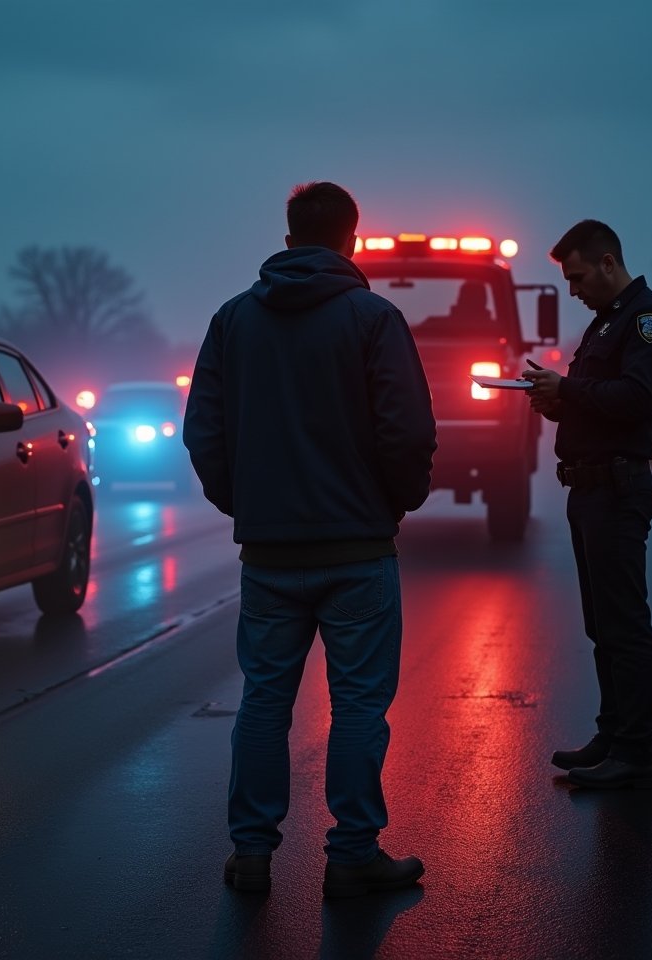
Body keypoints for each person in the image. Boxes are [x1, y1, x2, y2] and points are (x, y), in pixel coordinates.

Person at [183, 181, 437, 896]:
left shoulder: (233, 320)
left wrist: (246, 504)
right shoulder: (373, 319)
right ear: (352, 240)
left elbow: (203, 431)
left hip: (268, 554)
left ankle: (251, 854)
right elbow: (408, 430)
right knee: (357, 705)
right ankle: (353, 855)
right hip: (357, 550)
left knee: (264, 700)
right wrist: (394, 502)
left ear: (289, 238)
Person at [524, 219, 652, 790]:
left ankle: (637, 753)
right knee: (601, 625)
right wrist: (558, 401)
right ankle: (612, 735)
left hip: (617, 489)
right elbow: (599, 401)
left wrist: (568, 390)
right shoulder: (606, 322)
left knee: (624, 624)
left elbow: (637, 399)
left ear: (608, 263)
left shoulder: (646, 319)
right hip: (589, 489)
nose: (573, 290)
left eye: (578, 277)